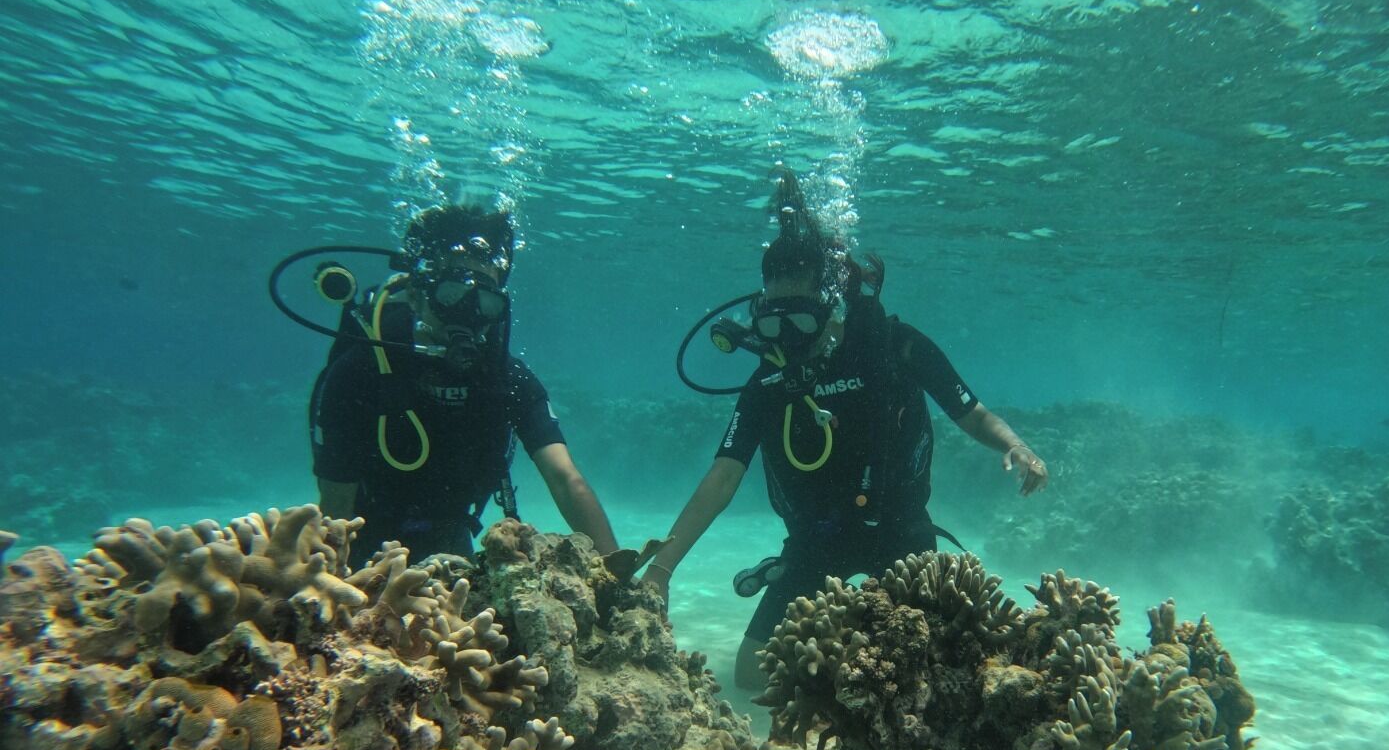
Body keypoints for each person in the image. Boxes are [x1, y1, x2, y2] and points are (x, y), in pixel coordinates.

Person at [644, 175, 1047, 690]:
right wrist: (661, 569)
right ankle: (846, 680)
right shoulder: (769, 381)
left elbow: (971, 413)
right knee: (751, 679)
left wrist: (1015, 444)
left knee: (935, 673)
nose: (787, 339)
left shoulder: (895, 346)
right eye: (774, 323)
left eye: (802, 321)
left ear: (833, 302)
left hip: (901, 533)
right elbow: (723, 477)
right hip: (815, 542)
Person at [309, 204, 617, 558]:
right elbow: (336, 511)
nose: (467, 317)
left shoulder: (508, 380)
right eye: (451, 296)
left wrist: (618, 582)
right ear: (415, 296)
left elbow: (566, 480)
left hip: (452, 538)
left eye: (484, 303)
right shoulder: (359, 373)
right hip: (366, 541)